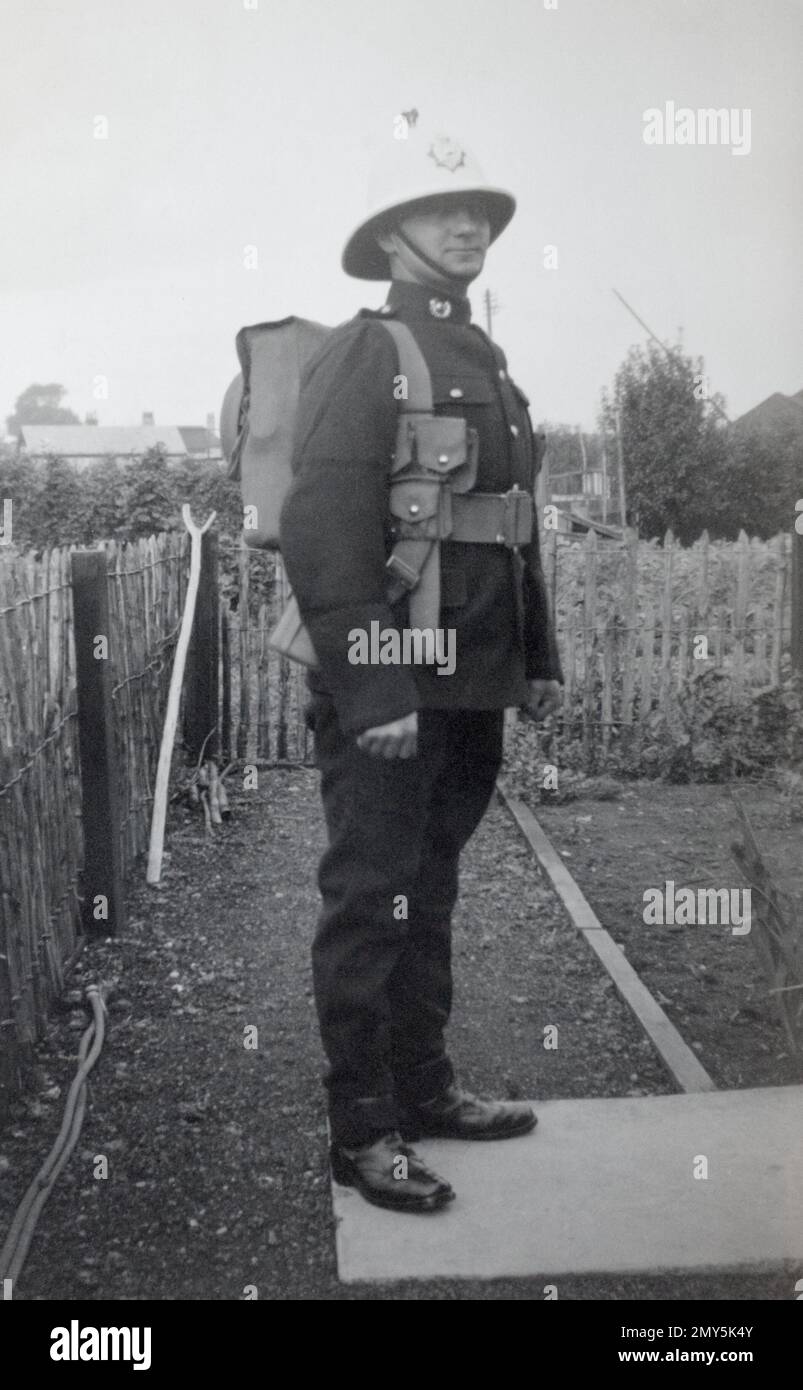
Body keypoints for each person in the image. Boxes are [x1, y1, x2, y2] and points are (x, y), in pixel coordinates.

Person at [279, 121, 563, 1214]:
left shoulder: (484, 360)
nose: (468, 225)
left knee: (428, 891)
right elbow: (325, 530)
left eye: (481, 212)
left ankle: (425, 1090)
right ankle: (360, 1133)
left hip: (469, 686)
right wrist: (373, 684)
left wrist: (533, 659)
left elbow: (507, 527)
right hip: (394, 690)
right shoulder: (367, 350)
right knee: (369, 899)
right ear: (390, 233)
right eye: (444, 210)